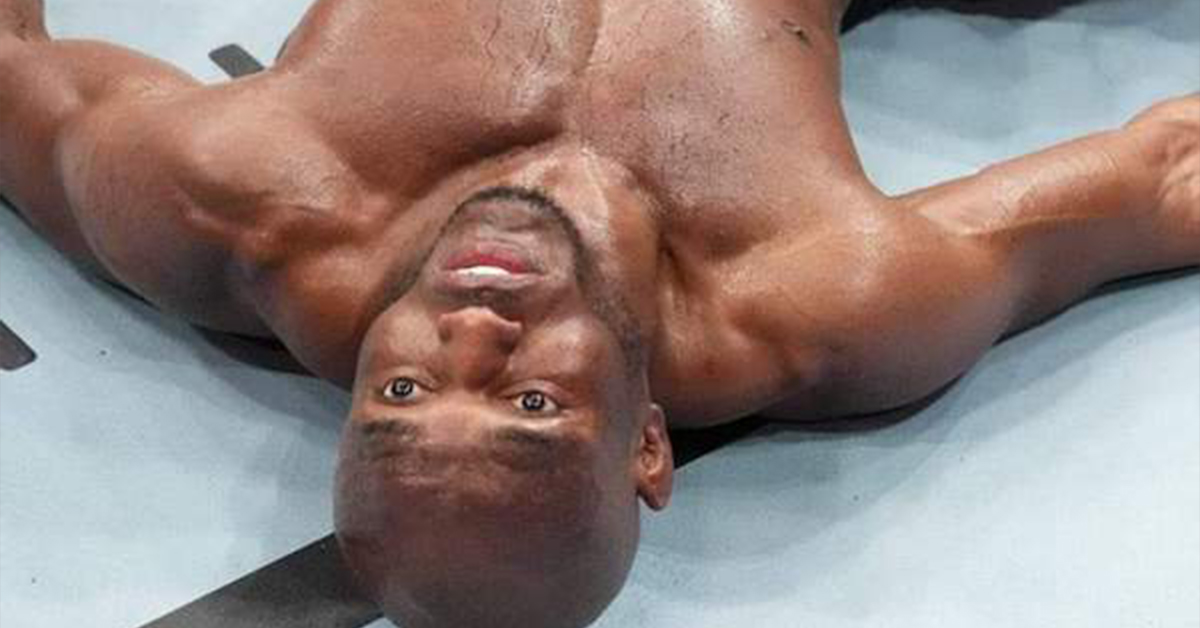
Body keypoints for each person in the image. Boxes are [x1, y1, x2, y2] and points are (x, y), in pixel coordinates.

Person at [1, 0, 1196, 626]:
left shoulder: (234, 199)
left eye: (406, 389)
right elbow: (1158, 181)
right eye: (531, 401)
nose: (472, 329)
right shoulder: (820, 297)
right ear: (648, 445)